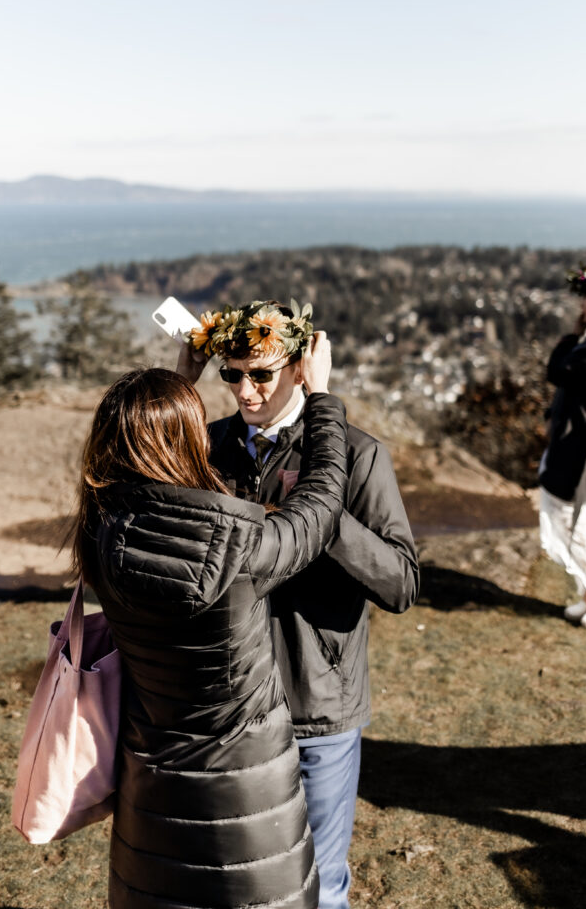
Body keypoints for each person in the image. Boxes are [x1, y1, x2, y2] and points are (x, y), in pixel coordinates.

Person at [72, 338, 349, 909]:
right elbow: (318, 509)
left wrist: (178, 384)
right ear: (187, 440)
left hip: (152, 792)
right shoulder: (236, 544)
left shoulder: (100, 531)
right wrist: (321, 396)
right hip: (249, 804)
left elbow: (156, 464)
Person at [178, 300, 419, 909]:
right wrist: (181, 381)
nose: (246, 391)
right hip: (230, 704)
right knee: (236, 873)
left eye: (261, 373)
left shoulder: (358, 456)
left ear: (301, 368)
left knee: (319, 882)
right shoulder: (204, 449)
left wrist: (320, 512)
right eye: (231, 374)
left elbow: (400, 584)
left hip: (317, 700)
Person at [539, 264, 586, 628]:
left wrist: (573, 334)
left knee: (578, 523)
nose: (582, 304)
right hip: (575, 442)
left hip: (584, 450)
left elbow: (560, 370)